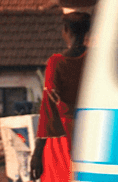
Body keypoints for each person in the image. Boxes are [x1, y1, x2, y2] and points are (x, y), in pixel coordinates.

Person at [29, 12, 91, 182]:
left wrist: (37, 152)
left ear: (65, 30)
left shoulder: (56, 62)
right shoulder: (93, 59)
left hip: (61, 138)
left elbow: (48, 108)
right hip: (90, 134)